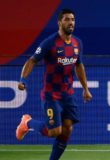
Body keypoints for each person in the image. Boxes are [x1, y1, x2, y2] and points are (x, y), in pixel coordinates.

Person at [16, 9, 92, 160]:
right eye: (67, 20)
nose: (71, 22)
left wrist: (86, 89)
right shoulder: (50, 43)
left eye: (72, 20)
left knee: (68, 129)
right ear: (59, 23)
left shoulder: (77, 43)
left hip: (68, 94)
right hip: (51, 95)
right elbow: (32, 61)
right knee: (54, 132)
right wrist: (22, 80)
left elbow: (79, 66)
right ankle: (27, 122)